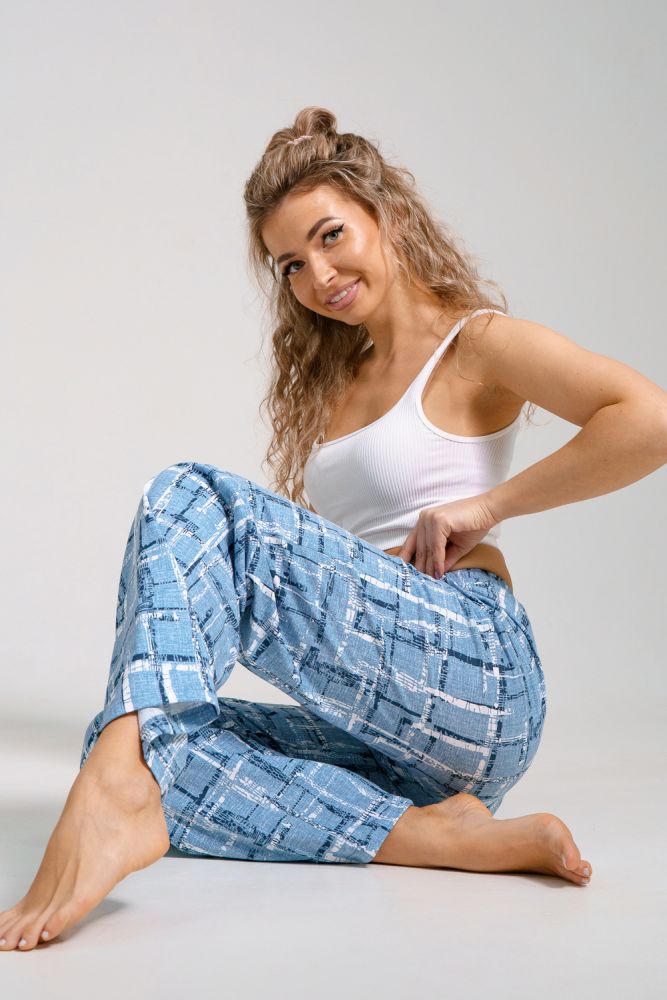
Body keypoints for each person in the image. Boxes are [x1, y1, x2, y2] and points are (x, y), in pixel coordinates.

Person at [3, 106, 667, 953]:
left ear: (385, 215)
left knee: (188, 498)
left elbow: (645, 420)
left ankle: (110, 796)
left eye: (330, 237)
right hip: (388, 730)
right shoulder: (334, 385)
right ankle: (437, 834)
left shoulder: (473, 344)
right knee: (146, 746)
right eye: (291, 264)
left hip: (478, 672)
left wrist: (488, 507)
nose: (318, 274)